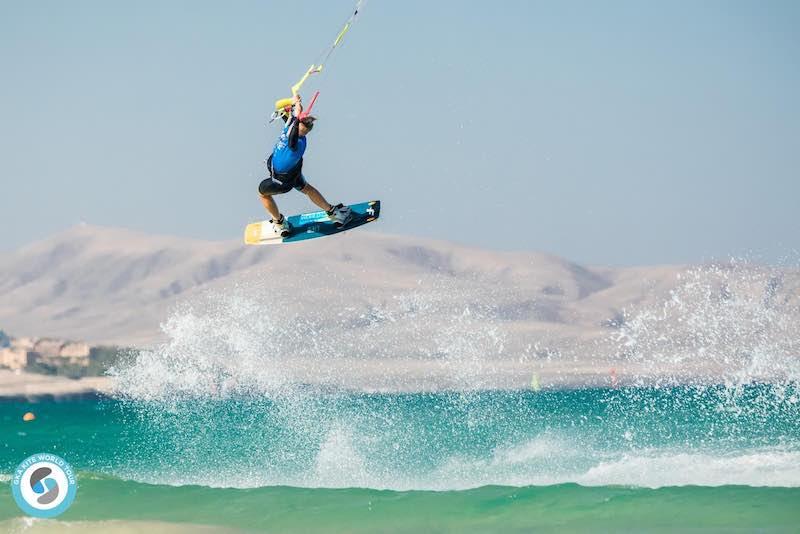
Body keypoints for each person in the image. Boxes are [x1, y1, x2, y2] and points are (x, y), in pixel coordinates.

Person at [258, 94, 352, 237]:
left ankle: (280, 223)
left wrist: (295, 115)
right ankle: (334, 213)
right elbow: (280, 107)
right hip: (294, 173)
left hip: (282, 181)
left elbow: (291, 137)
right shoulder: (293, 128)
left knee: (263, 194)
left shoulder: (295, 142)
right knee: (307, 188)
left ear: (298, 125)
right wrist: (294, 102)